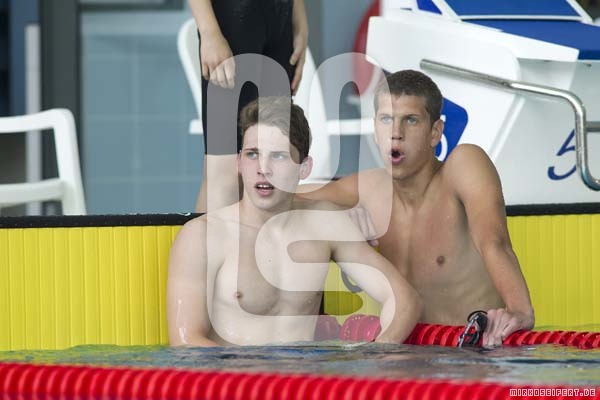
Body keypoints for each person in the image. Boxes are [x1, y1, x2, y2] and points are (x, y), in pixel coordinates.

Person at [299, 70, 535, 348]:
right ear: (375, 129)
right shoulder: (371, 190)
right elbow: (279, 197)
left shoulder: (462, 167)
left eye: (410, 120)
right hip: (406, 359)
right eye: (386, 120)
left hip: (474, 357)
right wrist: (334, 213)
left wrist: (519, 309)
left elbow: (494, 241)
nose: (395, 134)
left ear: (435, 132)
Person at [167, 97, 421, 346]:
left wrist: (380, 353)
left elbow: (403, 299)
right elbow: (187, 341)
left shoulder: (325, 225)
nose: (263, 168)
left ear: (304, 168)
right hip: (234, 372)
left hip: (303, 372)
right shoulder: (203, 236)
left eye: (278, 156)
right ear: (239, 162)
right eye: (253, 154)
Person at [188, 0, 308, 213]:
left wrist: (299, 18)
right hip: (232, 19)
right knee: (225, 174)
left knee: (270, 172)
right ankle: (203, 237)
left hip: (282, 20)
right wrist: (208, 32)